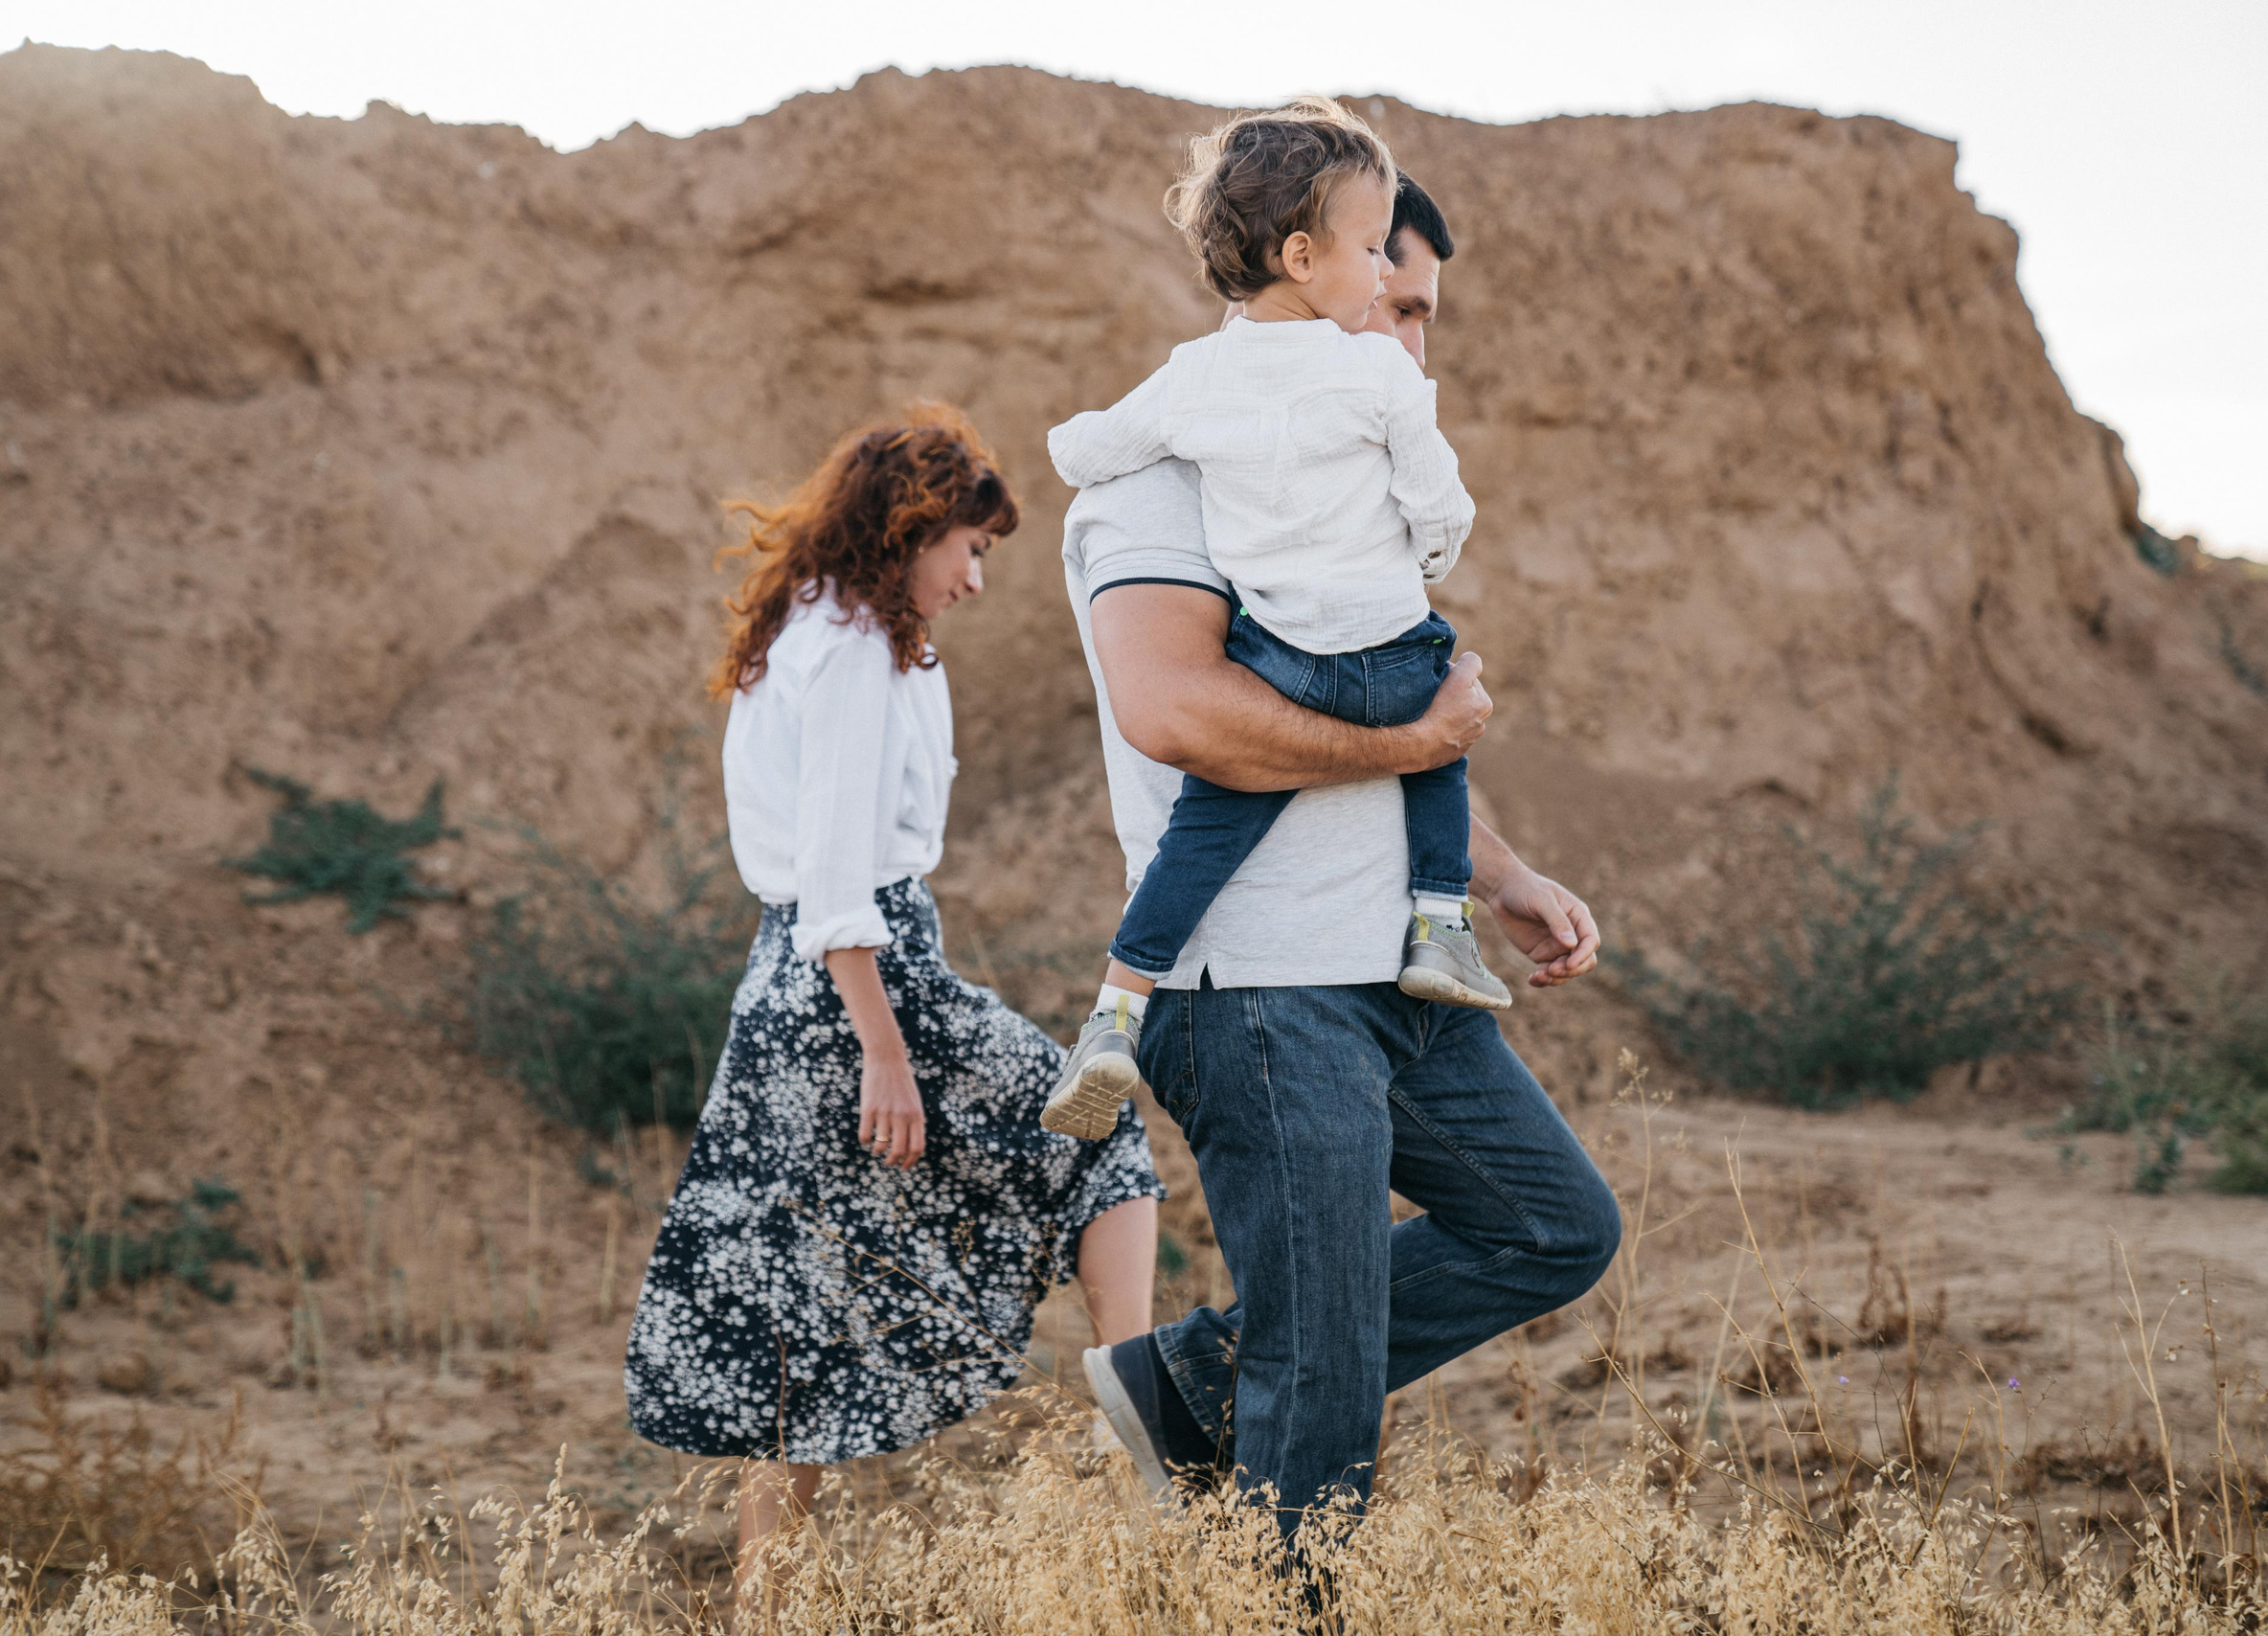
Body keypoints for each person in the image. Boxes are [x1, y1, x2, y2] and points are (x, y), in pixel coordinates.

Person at [1061, 172, 1623, 1544]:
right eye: (1396, 301)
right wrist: (1418, 736)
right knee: (1316, 1409)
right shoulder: (1166, 478)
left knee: (1553, 1228)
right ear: (1309, 273)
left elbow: (1373, 727)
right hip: (1259, 987)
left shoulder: (1347, 471)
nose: (1412, 343)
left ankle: (1194, 1380)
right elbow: (1178, 712)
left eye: (1425, 313)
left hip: (1396, 974)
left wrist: (1500, 875)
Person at [623, 405, 1164, 1626]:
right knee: (1099, 1133)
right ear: (909, 531)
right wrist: (884, 1050)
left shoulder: (810, 626)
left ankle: (764, 1606)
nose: (975, 579)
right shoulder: (856, 649)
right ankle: (1139, 1404)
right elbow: (836, 880)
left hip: (785, 989)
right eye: (967, 549)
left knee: (799, 1306)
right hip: (860, 981)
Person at [1043, 98, 1499, 1144]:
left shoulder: (1190, 383)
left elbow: (1085, 447)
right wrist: (1429, 560)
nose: (1385, 291)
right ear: (1302, 256)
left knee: (1205, 830)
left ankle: (1113, 1012)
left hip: (1282, 666)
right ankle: (1442, 922)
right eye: (1377, 260)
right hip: (1273, 968)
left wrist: (1083, 440)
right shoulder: (1373, 376)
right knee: (1444, 709)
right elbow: (1441, 508)